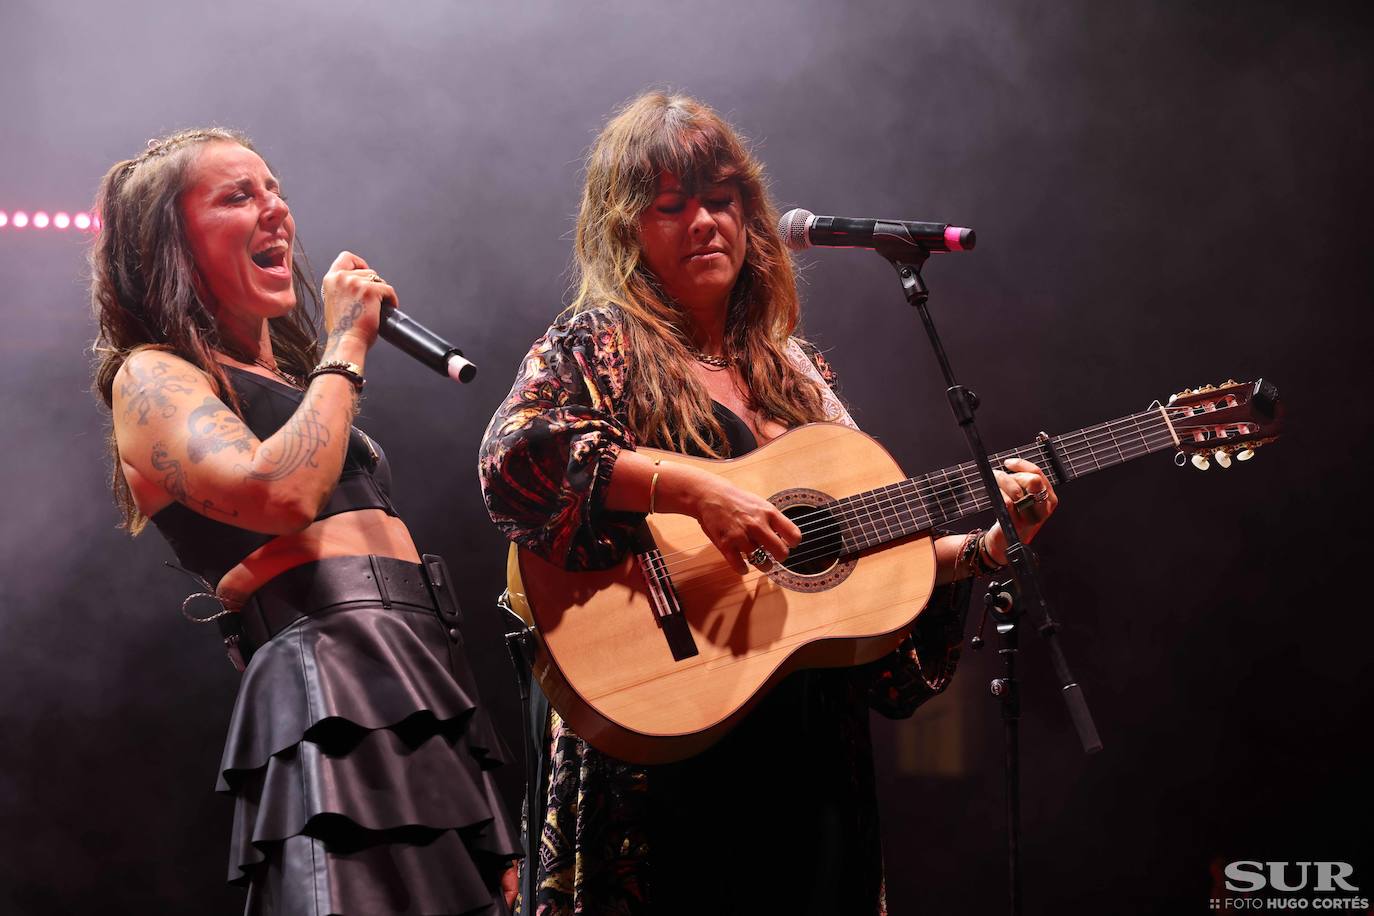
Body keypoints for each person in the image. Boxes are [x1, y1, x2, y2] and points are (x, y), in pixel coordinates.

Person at [478, 92, 1059, 916]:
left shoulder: (800, 373)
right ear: (625, 227)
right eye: (671, 206)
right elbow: (518, 459)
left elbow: (861, 565)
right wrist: (694, 489)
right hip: (658, 732)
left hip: (803, 750)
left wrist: (983, 549)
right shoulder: (598, 343)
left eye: (722, 199)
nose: (706, 222)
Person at [90, 128, 520, 914]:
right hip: (330, 675)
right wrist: (347, 342)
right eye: (237, 196)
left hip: (421, 670)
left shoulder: (291, 382)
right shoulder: (153, 377)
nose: (275, 209)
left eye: (274, 188)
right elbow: (278, 495)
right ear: (170, 245)